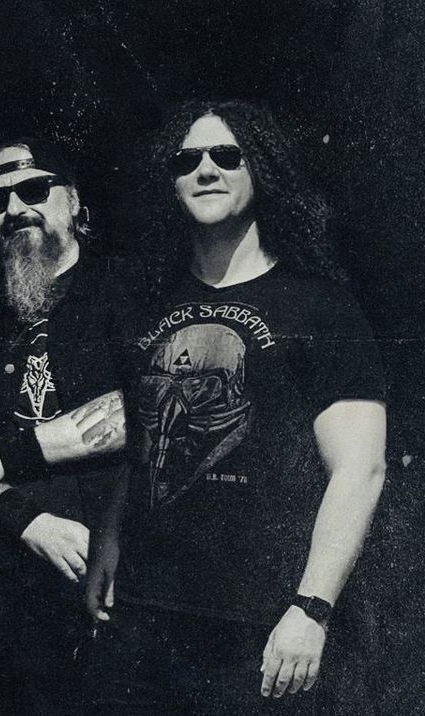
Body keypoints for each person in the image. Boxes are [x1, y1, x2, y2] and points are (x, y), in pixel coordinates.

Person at [83, 100, 387, 714]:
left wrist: (312, 607)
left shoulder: (319, 305)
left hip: (266, 627)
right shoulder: (146, 304)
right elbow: (143, 439)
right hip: (148, 612)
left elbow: (360, 468)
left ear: (261, 170)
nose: (205, 170)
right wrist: (108, 540)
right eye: (186, 160)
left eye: (226, 156)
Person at [0, 137, 128, 714]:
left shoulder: (129, 292)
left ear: (75, 201)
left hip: (115, 578)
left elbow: (148, 412)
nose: (15, 209)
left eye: (34, 190)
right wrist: (28, 520)